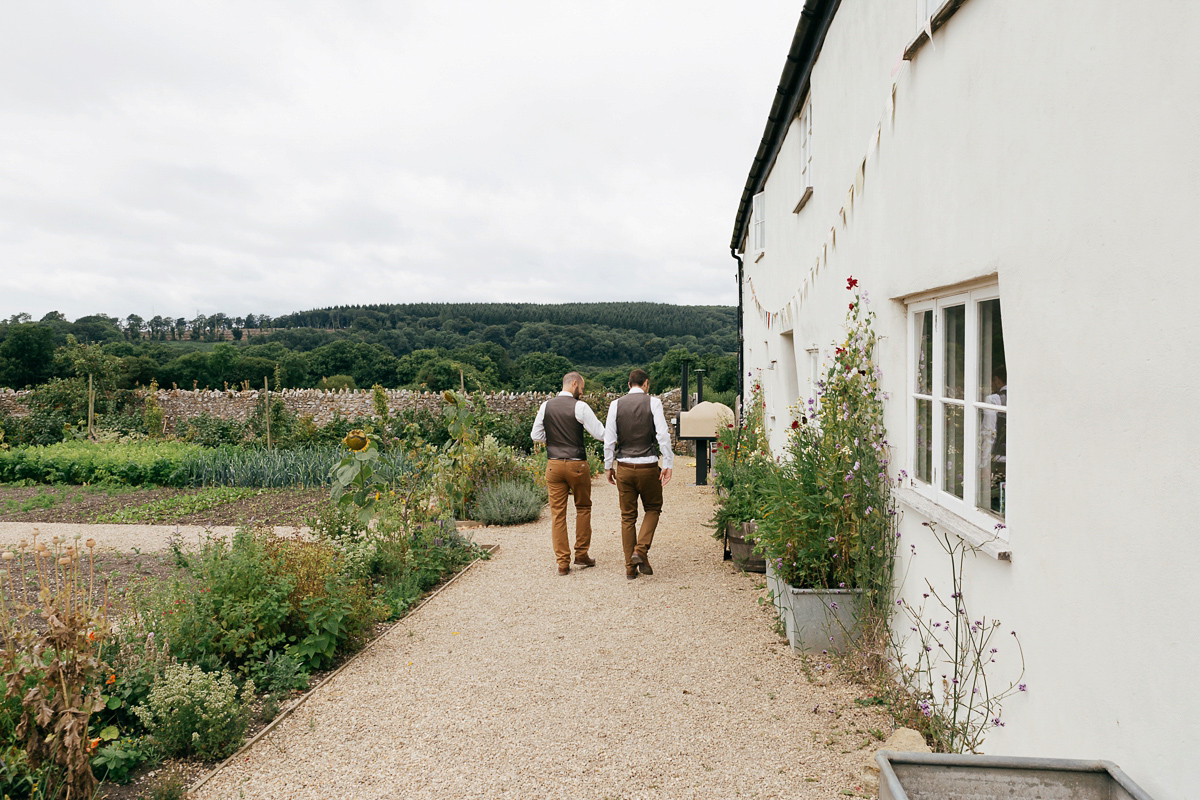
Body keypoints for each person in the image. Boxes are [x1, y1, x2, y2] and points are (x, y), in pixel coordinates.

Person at [530, 371, 606, 576]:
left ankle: (562, 563)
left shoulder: (546, 405)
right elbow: (600, 434)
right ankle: (581, 554)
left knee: (557, 514)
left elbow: (535, 435)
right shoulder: (580, 407)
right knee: (583, 507)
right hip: (577, 466)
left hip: (553, 465)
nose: (582, 392)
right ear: (574, 384)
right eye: (581, 387)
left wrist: (554, 440)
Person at [603, 369, 674, 580]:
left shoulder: (615, 405)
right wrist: (668, 462)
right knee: (653, 508)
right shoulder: (653, 403)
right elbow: (662, 435)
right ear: (646, 384)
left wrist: (608, 467)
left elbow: (609, 440)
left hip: (624, 467)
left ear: (628, 384)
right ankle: (641, 549)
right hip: (648, 467)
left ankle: (629, 568)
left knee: (627, 517)